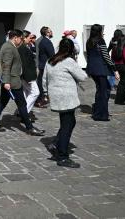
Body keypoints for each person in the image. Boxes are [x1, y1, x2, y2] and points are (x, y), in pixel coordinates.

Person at [0, 29, 45, 136]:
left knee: (2, 103)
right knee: (22, 104)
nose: (22, 40)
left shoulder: (9, 46)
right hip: (12, 82)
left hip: (10, 81)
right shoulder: (9, 48)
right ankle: (30, 128)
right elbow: (6, 66)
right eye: (21, 38)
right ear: (15, 38)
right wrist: (6, 82)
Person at [42, 38, 88, 168]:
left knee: (68, 122)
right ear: (71, 49)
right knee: (68, 124)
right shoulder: (69, 61)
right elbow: (83, 77)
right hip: (66, 97)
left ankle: (57, 143)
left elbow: (44, 78)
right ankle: (62, 156)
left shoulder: (50, 60)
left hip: (56, 96)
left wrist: (45, 93)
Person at [85, 24, 119, 120]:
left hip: (92, 69)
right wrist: (114, 69)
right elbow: (106, 56)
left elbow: (89, 56)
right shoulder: (100, 40)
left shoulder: (89, 41)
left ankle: (97, 111)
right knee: (104, 91)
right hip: (100, 69)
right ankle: (101, 114)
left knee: (100, 90)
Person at [20, 30, 40, 117]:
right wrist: (28, 77)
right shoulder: (23, 48)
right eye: (29, 37)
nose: (30, 39)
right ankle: (24, 112)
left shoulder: (25, 47)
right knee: (35, 92)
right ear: (24, 38)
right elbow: (24, 64)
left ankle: (22, 111)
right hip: (27, 76)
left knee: (25, 93)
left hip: (25, 76)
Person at [36, 26, 55, 107]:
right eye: (50, 31)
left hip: (43, 65)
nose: (52, 32)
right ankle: (41, 99)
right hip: (45, 65)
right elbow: (52, 55)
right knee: (42, 83)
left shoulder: (43, 41)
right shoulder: (46, 42)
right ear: (47, 33)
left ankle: (43, 98)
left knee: (42, 82)